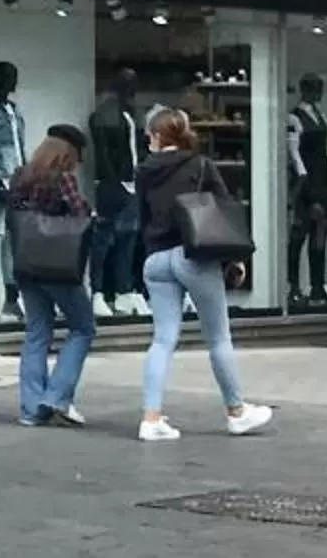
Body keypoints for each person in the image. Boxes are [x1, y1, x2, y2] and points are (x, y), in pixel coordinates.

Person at [133, 107, 273, 442]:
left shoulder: (143, 171)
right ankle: (236, 412)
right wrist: (235, 258)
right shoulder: (200, 165)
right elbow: (223, 210)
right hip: (193, 256)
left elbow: (141, 218)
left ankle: (151, 418)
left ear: (157, 137)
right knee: (218, 338)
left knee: (162, 339)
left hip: (156, 260)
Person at [7, 126, 96, 428]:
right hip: (58, 265)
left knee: (37, 331)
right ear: (68, 154)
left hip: (26, 263)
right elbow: (80, 212)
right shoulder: (63, 179)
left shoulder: (21, 176)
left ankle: (31, 409)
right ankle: (57, 397)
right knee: (83, 327)